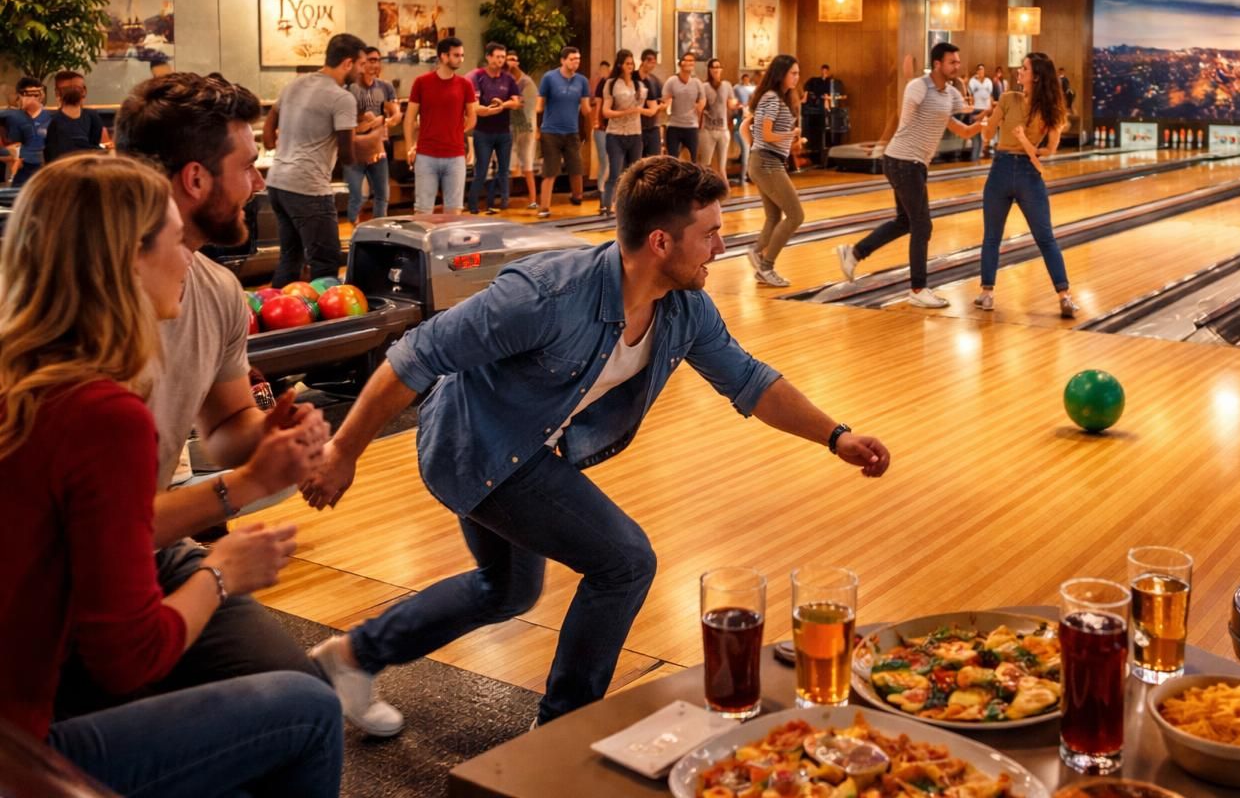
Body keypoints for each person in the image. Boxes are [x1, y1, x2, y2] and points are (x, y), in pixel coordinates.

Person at [296, 156, 891, 733]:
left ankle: (350, 659)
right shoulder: (545, 296)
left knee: (505, 588)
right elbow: (415, 355)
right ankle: (561, 730)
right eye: (709, 234)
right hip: (474, 445)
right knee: (625, 563)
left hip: (525, 442)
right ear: (660, 242)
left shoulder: (684, 308)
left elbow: (749, 380)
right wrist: (344, 452)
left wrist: (836, 436)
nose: (721, 247)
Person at [0, 154, 343, 797]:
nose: (187, 255)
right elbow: (127, 656)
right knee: (311, 710)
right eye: (172, 238)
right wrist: (224, 572)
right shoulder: (102, 414)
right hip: (21, 750)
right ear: (125, 260)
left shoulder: (23, 376)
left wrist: (250, 471)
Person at [96, 72, 332, 708]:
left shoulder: (216, 290)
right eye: (249, 165)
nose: (259, 184)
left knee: (301, 692)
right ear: (196, 180)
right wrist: (247, 490)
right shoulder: (86, 317)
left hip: (152, 545)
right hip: (87, 564)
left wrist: (269, 433)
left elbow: (224, 430)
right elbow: (104, 532)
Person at [835, 42, 989, 308]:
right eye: (953, 62)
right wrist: (911, 80)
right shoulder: (917, 87)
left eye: (958, 61)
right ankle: (918, 289)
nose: (958, 66)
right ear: (938, 64)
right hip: (903, 161)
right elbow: (907, 118)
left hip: (912, 164)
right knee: (922, 225)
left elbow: (960, 128)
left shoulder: (950, 94)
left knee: (906, 221)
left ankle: (855, 252)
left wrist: (985, 121)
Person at [975, 54, 1079, 317]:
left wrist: (986, 120)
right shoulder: (1052, 110)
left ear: (1035, 76)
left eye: (1024, 68)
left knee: (991, 237)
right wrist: (1032, 146)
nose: (1018, 71)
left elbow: (987, 135)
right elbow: (1050, 149)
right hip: (1029, 175)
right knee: (1046, 239)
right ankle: (1064, 296)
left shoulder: (1008, 98)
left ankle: (987, 294)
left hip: (1000, 171)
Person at [262, 33, 368, 287]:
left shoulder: (295, 84)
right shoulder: (342, 97)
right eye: (361, 64)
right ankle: (327, 325)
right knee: (326, 262)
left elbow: (268, 128)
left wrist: (276, 146)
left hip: (278, 183)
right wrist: (371, 142)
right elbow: (347, 156)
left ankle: (276, 320)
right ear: (347, 63)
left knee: (291, 258)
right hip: (308, 188)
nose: (362, 71)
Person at [745, 54, 804, 289]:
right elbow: (766, 135)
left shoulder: (779, 98)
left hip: (767, 161)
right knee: (796, 215)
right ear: (781, 74)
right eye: (793, 73)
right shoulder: (771, 99)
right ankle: (766, 265)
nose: (797, 78)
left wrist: (792, 143)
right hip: (766, 163)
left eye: (798, 73)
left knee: (774, 216)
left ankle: (758, 253)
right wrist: (791, 135)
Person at [404, 37, 478, 216]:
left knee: (454, 210)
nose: (460, 59)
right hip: (426, 155)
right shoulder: (422, 82)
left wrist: (455, 133)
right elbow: (409, 118)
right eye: (456, 55)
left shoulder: (464, 84)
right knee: (423, 210)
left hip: (454, 155)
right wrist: (409, 147)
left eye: (462, 55)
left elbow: (472, 116)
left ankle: (449, 244)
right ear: (444, 56)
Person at [346, 47, 401, 224]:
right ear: (361, 64)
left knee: (382, 194)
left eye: (377, 60)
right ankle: (353, 231)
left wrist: (385, 119)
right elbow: (343, 116)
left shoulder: (385, 87)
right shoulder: (351, 87)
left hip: (378, 147)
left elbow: (396, 114)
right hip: (355, 148)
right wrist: (362, 120)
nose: (374, 64)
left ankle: (378, 232)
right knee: (357, 196)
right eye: (370, 60)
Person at [535, 45, 591, 219]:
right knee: (550, 170)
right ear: (563, 60)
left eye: (578, 59)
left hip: (572, 131)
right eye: (572, 59)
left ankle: (577, 197)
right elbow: (539, 106)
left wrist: (592, 125)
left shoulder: (582, 81)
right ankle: (544, 207)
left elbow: (585, 108)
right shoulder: (549, 78)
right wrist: (537, 129)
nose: (576, 62)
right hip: (551, 131)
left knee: (576, 167)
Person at [467, 42, 521, 216]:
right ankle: (473, 204)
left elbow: (516, 102)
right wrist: (488, 110)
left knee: (503, 170)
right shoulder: (478, 76)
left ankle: (501, 203)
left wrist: (501, 104)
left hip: (503, 131)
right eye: (497, 56)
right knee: (481, 169)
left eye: (502, 57)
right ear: (488, 57)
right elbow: (474, 105)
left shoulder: (508, 78)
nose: (500, 60)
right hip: (483, 131)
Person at [597, 50, 648, 218]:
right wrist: (627, 111)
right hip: (616, 133)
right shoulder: (611, 84)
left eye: (632, 63)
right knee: (615, 172)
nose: (630, 66)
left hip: (635, 133)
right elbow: (606, 112)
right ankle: (606, 206)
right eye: (627, 63)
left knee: (634, 174)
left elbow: (646, 107)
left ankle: (630, 207)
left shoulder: (638, 85)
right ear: (620, 65)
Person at [43, 72, 105, 162]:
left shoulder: (92, 117)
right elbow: (51, 153)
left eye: (77, 88)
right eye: (67, 89)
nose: (72, 90)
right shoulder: (53, 121)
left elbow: (95, 143)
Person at [505, 50, 539, 210]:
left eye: (513, 59)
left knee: (527, 164)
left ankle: (533, 199)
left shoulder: (526, 82)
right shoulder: (506, 79)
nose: (511, 62)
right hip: (510, 126)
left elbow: (529, 105)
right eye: (508, 59)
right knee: (508, 164)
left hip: (525, 127)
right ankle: (506, 198)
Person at [662, 53, 706, 163]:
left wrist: (700, 105)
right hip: (674, 126)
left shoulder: (697, 82)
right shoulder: (671, 81)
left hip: (691, 126)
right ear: (681, 63)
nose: (690, 63)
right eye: (688, 60)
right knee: (672, 160)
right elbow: (665, 99)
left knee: (693, 160)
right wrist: (667, 103)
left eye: (692, 61)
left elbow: (703, 99)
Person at [698, 58, 736, 184]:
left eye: (718, 67)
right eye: (713, 67)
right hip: (708, 130)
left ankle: (725, 193)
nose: (716, 69)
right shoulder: (704, 86)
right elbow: (700, 106)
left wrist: (736, 104)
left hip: (723, 130)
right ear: (709, 70)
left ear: (721, 69)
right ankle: (703, 191)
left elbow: (731, 105)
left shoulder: (727, 85)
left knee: (722, 167)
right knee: (705, 165)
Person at [5, 78, 49, 187]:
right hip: (22, 173)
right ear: (19, 96)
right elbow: (12, 146)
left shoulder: (51, 118)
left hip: (45, 172)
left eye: (36, 94)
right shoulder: (13, 118)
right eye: (28, 95)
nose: (33, 99)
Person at [590, 59, 613, 203]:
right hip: (602, 127)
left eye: (606, 69)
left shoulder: (613, 83)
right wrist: (596, 121)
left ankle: (610, 190)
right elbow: (598, 105)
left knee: (613, 161)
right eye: (601, 69)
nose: (603, 72)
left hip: (614, 127)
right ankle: (601, 189)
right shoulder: (600, 84)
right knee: (604, 160)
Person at [966, 63, 996, 163]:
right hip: (976, 109)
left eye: (982, 70)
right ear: (977, 71)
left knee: (984, 135)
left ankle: (979, 156)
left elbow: (990, 95)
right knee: (976, 134)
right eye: (979, 70)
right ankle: (974, 157)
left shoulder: (988, 81)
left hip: (986, 110)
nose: (981, 72)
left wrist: (990, 107)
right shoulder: (972, 81)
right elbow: (970, 96)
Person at [638, 49, 665, 157]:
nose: (652, 65)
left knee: (654, 161)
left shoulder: (655, 81)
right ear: (643, 61)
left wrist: (658, 107)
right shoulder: (633, 78)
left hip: (653, 126)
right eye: (650, 61)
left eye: (654, 62)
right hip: (637, 127)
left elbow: (664, 101)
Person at [733, 71, 755, 186]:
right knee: (745, 155)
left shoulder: (753, 108)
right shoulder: (741, 106)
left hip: (750, 132)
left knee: (750, 155)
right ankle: (743, 178)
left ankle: (748, 176)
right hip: (741, 131)